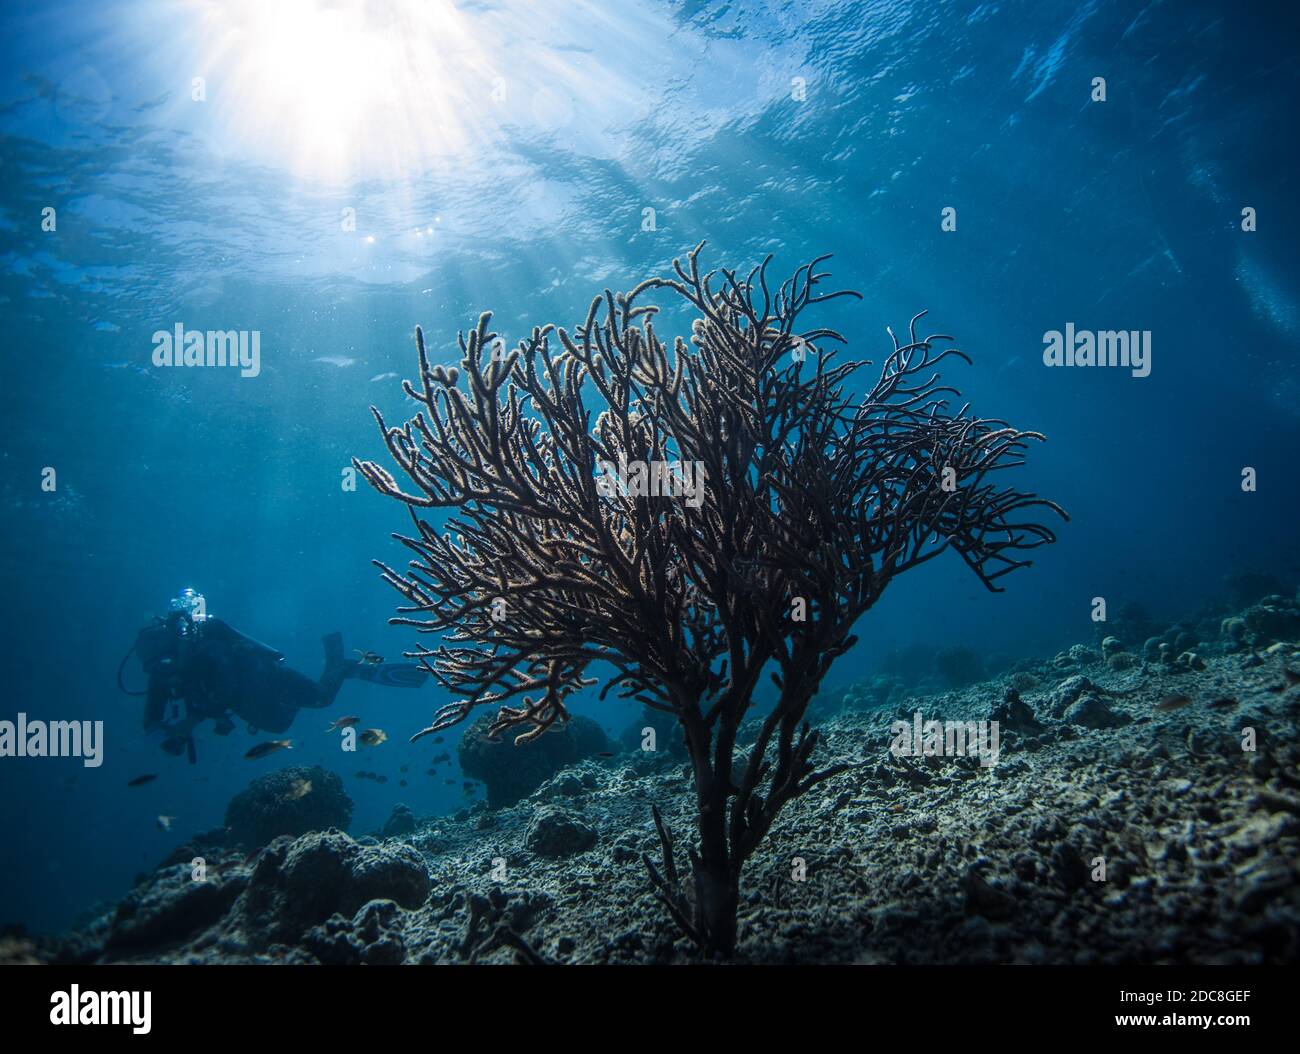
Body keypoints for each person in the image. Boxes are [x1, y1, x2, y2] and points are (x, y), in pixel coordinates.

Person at [120, 588, 425, 760]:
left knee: (322, 700)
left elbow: (225, 683)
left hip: (263, 675)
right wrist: (164, 734)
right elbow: (150, 720)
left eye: (167, 665)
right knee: (280, 726)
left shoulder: (203, 647)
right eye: (157, 668)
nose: (166, 674)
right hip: (242, 700)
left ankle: (340, 665)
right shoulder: (162, 673)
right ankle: (333, 668)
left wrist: (194, 719)